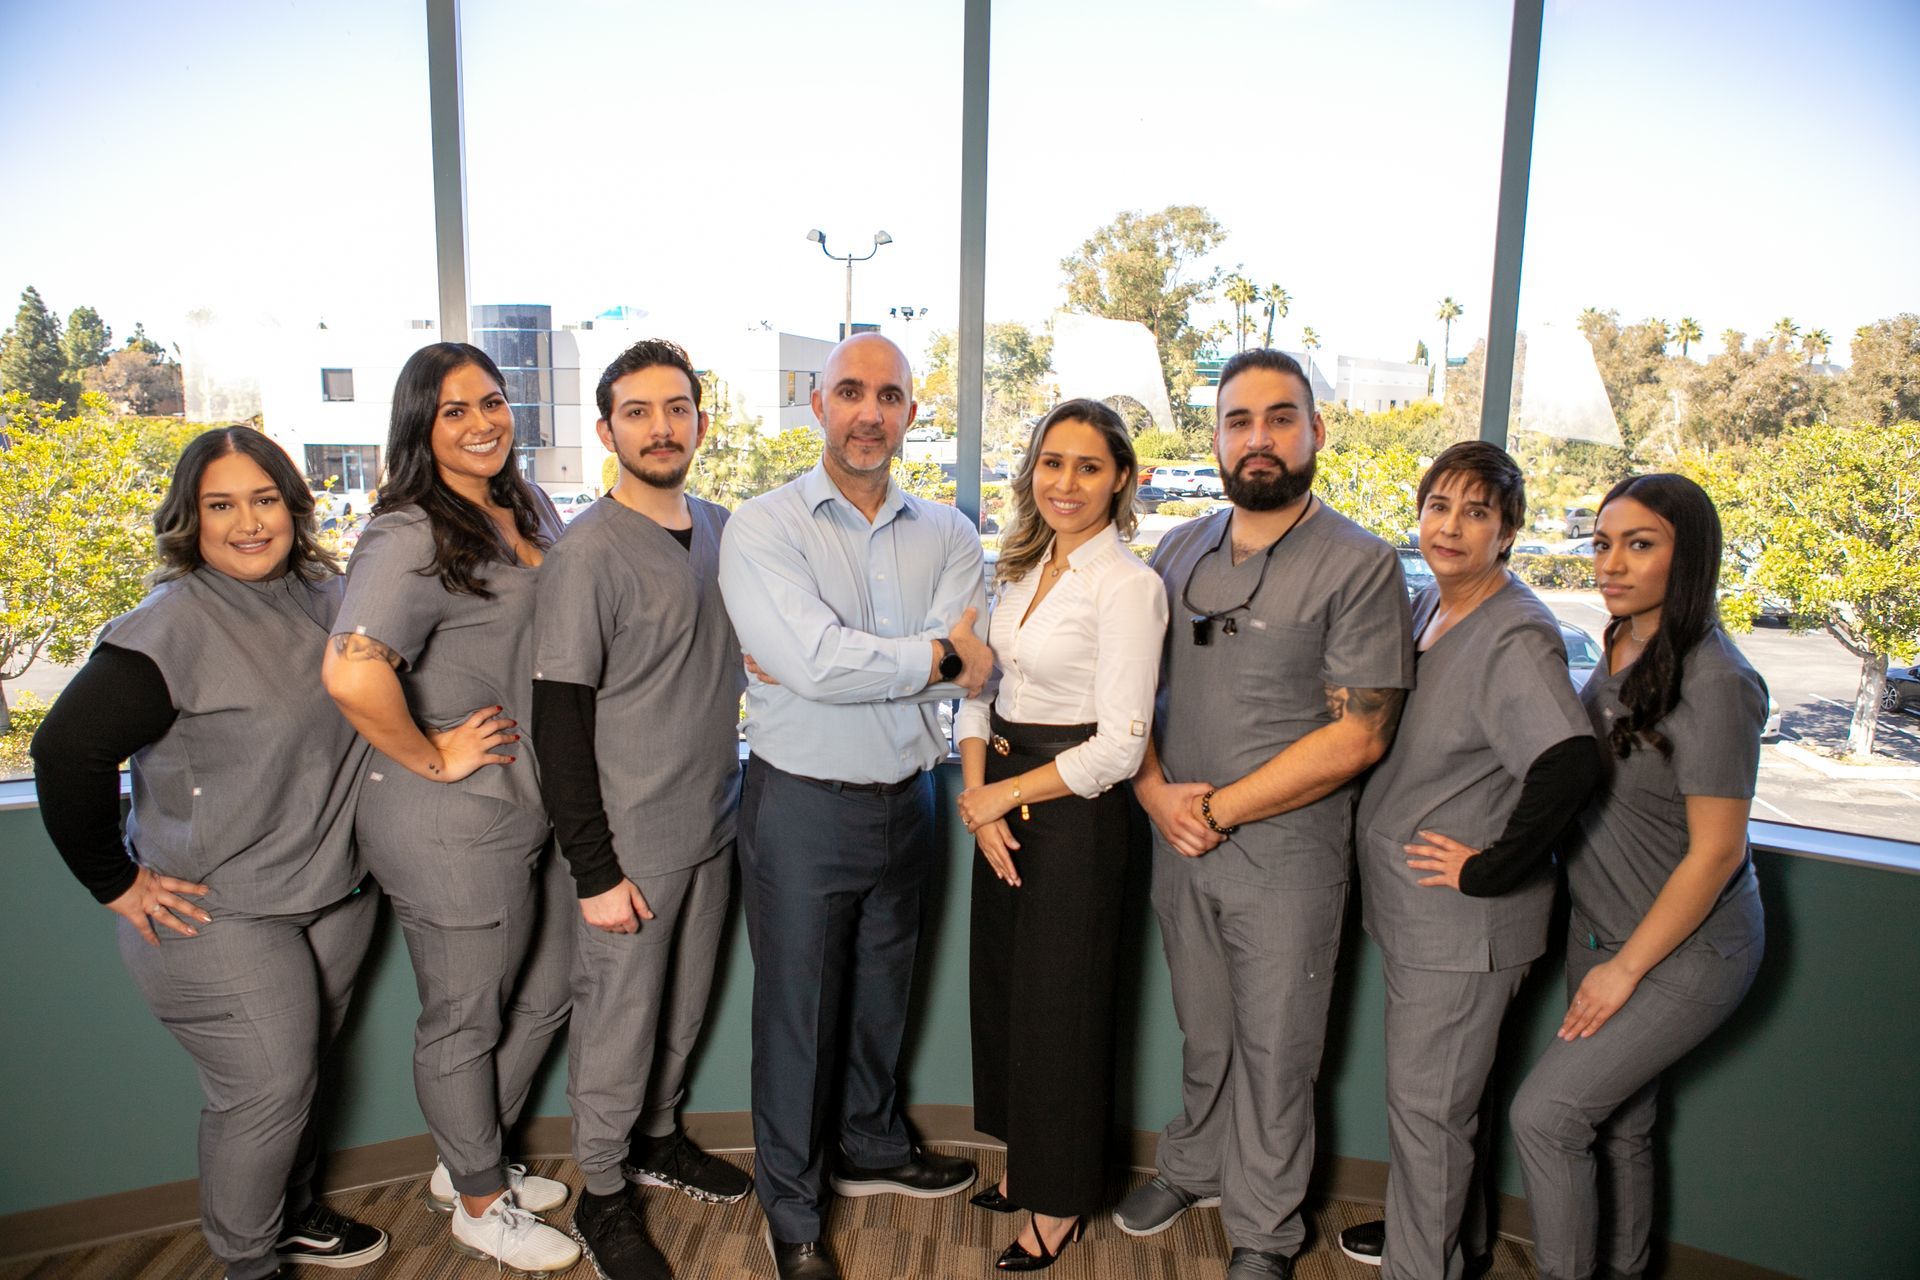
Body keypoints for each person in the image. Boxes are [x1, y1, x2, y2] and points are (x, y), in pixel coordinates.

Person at [30, 428, 389, 1280]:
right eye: (220, 505)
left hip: (330, 892)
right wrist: (114, 883)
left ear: (293, 507)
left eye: (264, 500)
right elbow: (64, 752)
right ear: (190, 519)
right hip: (219, 911)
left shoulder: (329, 596)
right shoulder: (171, 626)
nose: (248, 523)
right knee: (266, 1092)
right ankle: (246, 1262)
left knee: (301, 1078)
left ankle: (290, 1215)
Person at [1115, 349, 1415, 1280]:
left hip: (1286, 861)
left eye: (1280, 418)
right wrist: (1154, 793)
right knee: (1204, 1032)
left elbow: (1361, 734)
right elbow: (1131, 693)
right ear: (1215, 439)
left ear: (1315, 431)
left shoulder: (1360, 564)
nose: (1259, 438)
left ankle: (1266, 1229)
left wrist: (1220, 808)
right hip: (1178, 841)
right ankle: (1192, 1168)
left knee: (1278, 1052)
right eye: (1238, 421)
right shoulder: (1180, 551)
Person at [717, 332, 991, 1280]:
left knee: (882, 997)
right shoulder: (764, 527)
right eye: (850, 393)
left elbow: (958, 664)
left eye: (888, 395)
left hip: (910, 802)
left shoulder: (952, 534)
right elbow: (817, 665)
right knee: (798, 1020)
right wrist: (927, 658)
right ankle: (792, 1213)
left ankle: (871, 1144)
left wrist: (855, 659)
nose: (869, 413)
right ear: (818, 405)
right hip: (800, 806)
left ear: (911, 410)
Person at [321, 342, 579, 1274]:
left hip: (533, 800)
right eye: (454, 410)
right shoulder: (410, 532)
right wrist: (435, 755)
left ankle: (466, 1158)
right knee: (464, 1018)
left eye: (493, 402)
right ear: (419, 428)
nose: (482, 423)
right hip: (451, 820)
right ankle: (477, 1201)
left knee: (551, 987)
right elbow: (351, 672)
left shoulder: (524, 502)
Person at [1335, 443, 1600, 1277]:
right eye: (1439, 506)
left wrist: (1489, 867)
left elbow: (1570, 762)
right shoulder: (1430, 605)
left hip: (1463, 926)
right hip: (1417, 914)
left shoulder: (1515, 633)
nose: (1451, 527)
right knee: (1445, 1104)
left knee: (1429, 1113)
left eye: (1477, 513)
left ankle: (1424, 1265)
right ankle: (1457, 1239)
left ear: (1508, 532)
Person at [1504, 474, 1767, 1280]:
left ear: (1689, 558)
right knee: (1622, 1126)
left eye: (1639, 544)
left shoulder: (1718, 682)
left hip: (1684, 951)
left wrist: (1624, 972)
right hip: (1602, 928)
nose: (1610, 564)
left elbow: (1717, 853)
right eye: (1602, 543)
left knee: (1546, 1117)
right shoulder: (1620, 640)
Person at [530, 339, 751, 1280]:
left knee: (684, 1007)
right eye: (638, 412)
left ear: (700, 420)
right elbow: (559, 726)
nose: (661, 428)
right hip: (629, 843)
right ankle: (603, 1189)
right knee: (618, 1024)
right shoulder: (584, 555)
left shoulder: (726, 531)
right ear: (605, 429)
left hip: (713, 822)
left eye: (677, 408)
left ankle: (658, 1138)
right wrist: (595, 871)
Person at [955, 400, 1168, 1271]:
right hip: (1002, 798)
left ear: (1120, 479)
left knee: (1062, 1013)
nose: (1066, 482)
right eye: (1052, 462)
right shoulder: (1018, 567)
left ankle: (1061, 1200)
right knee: (1008, 998)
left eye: (1088, 466)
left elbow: (1119, 747)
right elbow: (979, 688)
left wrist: (1000, 796)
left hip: (1076, 816)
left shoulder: (1128, 586)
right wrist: (979, 799)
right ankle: (1026, 1164)